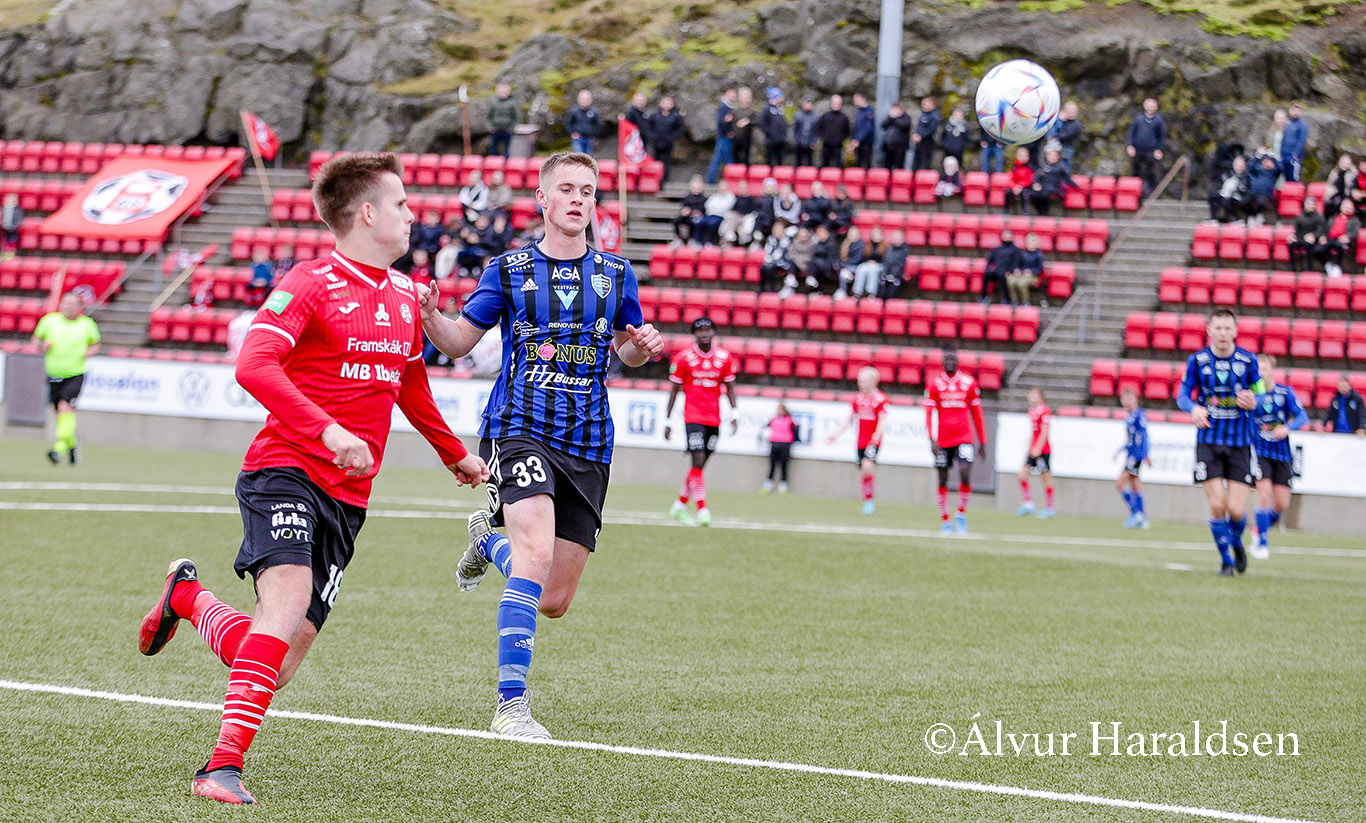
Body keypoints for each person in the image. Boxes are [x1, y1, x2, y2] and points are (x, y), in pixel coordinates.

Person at [136, 153, 489, 804]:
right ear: (367, 213)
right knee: (287, 603)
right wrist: (327, 430)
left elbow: (409, 382)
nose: (412, 215)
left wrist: (453, 453)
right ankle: (219, 768)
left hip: (348, 497)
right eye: (402, 203)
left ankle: (188, 599)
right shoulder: (309, 283)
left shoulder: (407, 295)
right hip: (285, 469)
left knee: (278, 655)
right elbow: (254, 365)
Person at [416, 150, 663, 740]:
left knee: (553, 599)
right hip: (519, 426)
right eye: (567, 189)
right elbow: (458, 342)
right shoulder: (508, 269)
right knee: (533, 556)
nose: (578, 199)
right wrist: (430, 316)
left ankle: (486, 541)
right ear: (543, 199)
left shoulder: (617, 273)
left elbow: (623, 353)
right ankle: (512, 707)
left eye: (588, 190)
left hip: (589, 440)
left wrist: (643, 347)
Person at [1176, 308, 1264, 576]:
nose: (1223, 333)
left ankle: (1236, 543)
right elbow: (1182, 395)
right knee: (1217, 505)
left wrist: (1255, 401)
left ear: (1235, 331)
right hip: (1209, 441)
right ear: (1209, 330)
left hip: (1240, 442)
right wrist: (1193, 408)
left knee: (1236, 509)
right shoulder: (1197, 360)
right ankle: (1226, 561)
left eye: (1228, 328)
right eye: (1218, 328)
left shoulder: (1248, 360)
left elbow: (1261, 394)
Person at [665, 317, 738, 526]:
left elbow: (730, 388)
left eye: (708, 329)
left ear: (714, 332)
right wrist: (667, 421)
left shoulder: (724, 357)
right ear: (694, 334)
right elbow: (674, 390)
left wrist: (735, 414)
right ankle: (702, 509)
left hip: (714, 418)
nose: (704, 333)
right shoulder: (683, 358)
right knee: (697, 462)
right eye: (700, 330)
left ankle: (679, 506)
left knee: (699, 466)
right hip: (693, 417)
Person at [1249, 354, 1308, 559]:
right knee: (1264, 494)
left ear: (1272, 370)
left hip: (1282, 453)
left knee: (1282, 504)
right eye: (1258, 370)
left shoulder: (1285, 393)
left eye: (1265, 369)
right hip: (1260, 451)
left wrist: (1287, 427)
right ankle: (1262, 544)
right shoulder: (1251, 396)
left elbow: (1302, 416)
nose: (1261, 373)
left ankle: (1259, 529)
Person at [32, 291, 100, 465]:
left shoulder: (87, 324)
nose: (68, 307)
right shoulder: (49, 321)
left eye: (72, 304)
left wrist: (88, 352)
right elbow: (36, 340)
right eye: (66, 303)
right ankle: (72, 443)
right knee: (61, 414)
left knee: (65, 407)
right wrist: (42, 346)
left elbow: (95, 345)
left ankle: (58, 449)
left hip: (75, 374)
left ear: (80, 307)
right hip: (54, 375)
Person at [926, 349, 988, 534]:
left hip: (964, 437)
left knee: (965, 471)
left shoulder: (969, 383)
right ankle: (945, 520)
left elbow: (977, 413)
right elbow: (928, 413)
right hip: (943, 440)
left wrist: (982, 441)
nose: (950, 362)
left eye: (953, 359)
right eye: (947, 359)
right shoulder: (935, 384)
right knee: (942, 478)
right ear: (942, 362)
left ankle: (961, 513)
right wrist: (931, 438)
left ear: (957, 362)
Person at [827, 366, 888, 515]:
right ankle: (867, 499)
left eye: (864, 381)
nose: (860, 384)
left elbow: (882, 420)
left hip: (872, 441)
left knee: (867, 466)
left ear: (873, 382)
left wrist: (877, 434)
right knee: (863, 471)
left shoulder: (881, 399)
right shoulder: (857, 399)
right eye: (860, 381)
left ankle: (869, 502)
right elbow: (849, 420)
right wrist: (836, 434)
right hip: (860, 441)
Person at [1114, 387, 1152, 529]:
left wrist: (1146, 454)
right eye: (1124, 398)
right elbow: (1131, 439)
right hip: (1131, 454)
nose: (1126, 401)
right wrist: (1120, 450)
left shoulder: (1139, 415)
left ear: (1136, 399)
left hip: (1136, 455)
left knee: (1120, 483)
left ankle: (1136, 513)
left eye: (1129, 398)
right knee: (1135, 486)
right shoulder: (1129, 416)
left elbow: (1144, 435)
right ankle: (1141, 517)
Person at [1015, 387, 1055, 519]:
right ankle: (1028, 504)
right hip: (1033, 449)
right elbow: (1034, 432)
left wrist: (1038, 448)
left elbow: (1044, 432)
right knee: (1022, 474)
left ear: (1041, 397)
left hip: (1043, 450)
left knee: (1045, 478)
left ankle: (1050, 509)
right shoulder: (1031, 411)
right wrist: (1030, 447)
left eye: (1034, 395)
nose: (1031, 397)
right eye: (1030, 394)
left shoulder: (1045, 411)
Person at [1127, 97, 1166, 198]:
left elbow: (1161, 137)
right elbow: (1132, 133)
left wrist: (1159, 149)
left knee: (1150, 172)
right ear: (1144, 106)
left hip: (1151, 151)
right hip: (1138, 150)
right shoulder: (1138, 119)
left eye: (1152, 106)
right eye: (1149, 106)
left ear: (1156, 107)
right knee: (1136, 171)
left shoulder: (1158, 121)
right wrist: (1130, 146)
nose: (1150, 108)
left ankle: (1151, 194)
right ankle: (1134, 193)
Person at [761, 401, 799, 494]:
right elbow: (766, 428)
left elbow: (795, 432)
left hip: (785, 444)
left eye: (781, 410)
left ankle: (783, 487)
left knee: (784, 466)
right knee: (772, 466)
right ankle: (768, 486)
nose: (779, 411)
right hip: (774, 443)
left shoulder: (790, 420)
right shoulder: (773, 419)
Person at [646, 95, 684, 182]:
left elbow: (680, 129)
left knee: (666, 162)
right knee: (654, 161)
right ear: (660, 103)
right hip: (655, 142)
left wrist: (672, 138)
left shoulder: (676, 117)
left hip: (668, 143)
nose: (667, 105)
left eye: (669, 103)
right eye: (665, 102)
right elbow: (648, 127)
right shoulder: (655, 116)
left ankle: (665, 180)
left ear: (673, 104)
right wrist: (651, 136)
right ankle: (654, 179)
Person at [1027, 147, 1076, 216]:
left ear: (1058, 157)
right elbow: (1036, 177)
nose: (1052, 157)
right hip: (1043, 187)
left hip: (1053, 188)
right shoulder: (1042, 167)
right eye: (1050, 155)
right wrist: (1035, 184)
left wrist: (1076, 186)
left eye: (1054, 156)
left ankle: (1045, 212)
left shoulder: (1060, 168)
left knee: (1045, 194)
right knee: (1033, 194)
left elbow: (1067, 179)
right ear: (1047, 156)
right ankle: (1040, 212)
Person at [1207, 155, 1251, 224]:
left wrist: (1231, 194)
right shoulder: (1228, 173)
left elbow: (1244, 189)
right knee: (1213, 198)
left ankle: (1237, 219)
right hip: (1225, 194)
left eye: (1240, 165)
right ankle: (1214, 218)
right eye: (1237, 165)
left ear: (1244, 166)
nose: (1238, 167)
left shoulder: (1246, 176)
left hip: (1238, 197)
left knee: (1227, 201)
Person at [705, 88, 737, 184]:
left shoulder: (725, 106)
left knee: (724, 158)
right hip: (723, 137)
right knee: (723, 159)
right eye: (732, 96)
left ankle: (718, 178)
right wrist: (728, 132)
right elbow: (721, 121)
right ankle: (713, 179)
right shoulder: (724, 107)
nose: (733, 98)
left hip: (723, 136)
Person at [1287, 196, 1327, 273]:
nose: (1310, 206)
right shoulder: (1300, 216)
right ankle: (1293, 267)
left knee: (1308, 244)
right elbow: (1297, 231)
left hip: (1313, 239)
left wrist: (1313, 235)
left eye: (1312, 204)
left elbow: (1320, 230)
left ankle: (1309, 268)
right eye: (1308, 204)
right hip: (1302, 237)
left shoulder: (1319, 217)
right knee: (1291, 243)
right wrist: (1293, 236)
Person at [981, 228, 1020, 304]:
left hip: (1007, 272)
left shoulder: (1016, 250)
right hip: (997, 271)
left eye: (1008, 236)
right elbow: (990, 261)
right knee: (986, 274)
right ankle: (983, 296)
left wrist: (1010, 271)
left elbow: (1016, 263)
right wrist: (989, 268)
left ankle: (1006, 299)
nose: (1006, 237)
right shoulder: (997, 249)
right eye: (1005, 235)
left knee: (1003, 275)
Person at [1323, 199, 1360, 277]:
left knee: (1339, 246)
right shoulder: (1333, 217)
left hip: (1345, 241)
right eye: (1345, 206)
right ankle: (1327, 264)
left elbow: (1355, 232)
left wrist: (1348, 236)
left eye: (1349, 207)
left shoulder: (1355, 220)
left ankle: (1338, 267)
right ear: (1341, 207)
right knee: (1318, 248)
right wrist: (1323, 237)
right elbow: (1326, 229)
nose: (1347, 209)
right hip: (1331, 239)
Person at [1007, 232, 1044, 306]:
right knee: (1010, 281)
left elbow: (1040, 269)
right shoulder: (1022, 253)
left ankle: (1025, 302)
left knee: (1021, 283)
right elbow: (1018, 264)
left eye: (1033, 242)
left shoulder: (1039, 255)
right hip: (1022, 274)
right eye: (1029, 242)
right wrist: (1017, 269)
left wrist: (1031, 271)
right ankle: (1014, 301)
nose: (1031, 244)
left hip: (1033, 276)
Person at [758, 219, 796, 293]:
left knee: (771, 268)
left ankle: (773, 288)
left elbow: (782, 253)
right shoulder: (770, 239)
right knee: (763, 268)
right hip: (771, 261)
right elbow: (768, 251)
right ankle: (762, 288)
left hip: (783, 262)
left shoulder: (786, 240)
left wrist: (772, 260)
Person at [849, 225, 885, 299]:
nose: (876, 236)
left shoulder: (886, 247)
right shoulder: (867, 245)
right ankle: (857, 292)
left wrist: (876, 263)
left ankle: (871, 292)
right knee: (861, 268)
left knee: (873, 270)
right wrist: (868, 262)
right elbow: (864, 257)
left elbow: (886, 260)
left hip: (880, 265)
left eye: (878, 234)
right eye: (874, 235)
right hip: (868, 264)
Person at [696, 178, 736, 246]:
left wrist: (715, 208)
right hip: (710, 215)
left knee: (712, 224)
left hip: (720, 216)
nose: (721, 187)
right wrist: (715, 208)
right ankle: (698, 242)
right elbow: (707, 205)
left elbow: (726, 207)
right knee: (699, 222)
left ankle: (710, 242)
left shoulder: (730, 196)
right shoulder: (715, 196)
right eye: (720, 185)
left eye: (723, 186)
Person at [1245, 152, 1281, 225]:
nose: (1267, 162)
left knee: (1260, 201)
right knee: (1243, 201)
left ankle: (1258, 215)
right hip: (1252, 192)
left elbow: (1281, 168)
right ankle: (1253, 215)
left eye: (1269, 161)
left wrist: (1273, 158)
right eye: (1265, 161)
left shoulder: (1274, 172)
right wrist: (1257, 157)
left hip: (1265, 194)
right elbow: (1249, 168)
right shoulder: (1258, 170)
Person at [815, 94, 851, 168]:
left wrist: (841, 139)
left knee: (839, 165)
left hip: (838, 146)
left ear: (841, 104)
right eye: (834, 103)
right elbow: (818, 128)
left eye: (838, 103)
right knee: (824, 165)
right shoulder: (825, 116)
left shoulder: (844, 117)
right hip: (826, 145)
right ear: (831, 103)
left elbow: (847, 131)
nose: (836, 105)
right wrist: (823, 138)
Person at [672, 175, 708, 246]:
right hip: (687, 215)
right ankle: (679, 238)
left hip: (697, 217)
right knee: (676, 220)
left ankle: (692, 238)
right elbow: (684, 206)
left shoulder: (703, 198)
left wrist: (694, 212)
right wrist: (684, 211)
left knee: (694, 221)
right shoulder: (687, 197)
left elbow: (702, 209)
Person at [486, 84, 520, 157]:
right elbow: (488, 117)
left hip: (507, 130)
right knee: (493, 149)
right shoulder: (494, 103)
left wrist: (511, 128)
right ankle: (494, 161)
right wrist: (491, 127)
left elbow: (515, 117)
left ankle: (506, 162)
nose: (503, 94)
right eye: (501, 92)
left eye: (505, 92)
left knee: (507, 149)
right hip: (495, 129)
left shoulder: (511, 104)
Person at [833, 224, 866, 300]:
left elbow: (857, 259)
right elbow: (839, 256)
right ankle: (842, 289)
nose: (852, 235)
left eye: (854, 233)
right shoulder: (845, 244)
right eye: (851, 233)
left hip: (857, 266)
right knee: (840, 268)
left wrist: (844, 264)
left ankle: (843, 290)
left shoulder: (861, 245)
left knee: (843, 270)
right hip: (846, 265)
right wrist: (837, 263)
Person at [565, 90, 601, 155]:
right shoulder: (574, 111)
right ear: (578, 99)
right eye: (583, 99)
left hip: (589, 139)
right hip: (578, 139)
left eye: (587, 99)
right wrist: (572, 133)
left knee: (588, 157)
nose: (585, 101)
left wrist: (594, 135)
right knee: (579, 156)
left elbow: (597, 125)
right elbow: (569, 123)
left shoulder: (593, 112)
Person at [760, 87, 789, 167]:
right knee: (770, 161)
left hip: (781, 140)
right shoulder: (766, 109)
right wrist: (771, 133)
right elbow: (762, 124)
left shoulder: (779, 109)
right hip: (771, 140)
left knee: (780, 161)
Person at [1323, 153, 1358, 218]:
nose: (1345, 165)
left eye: (1347, 163)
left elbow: (1352, 186)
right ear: (1339, 163)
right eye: (1343, 163)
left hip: (1348, 194)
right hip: (1336, 193)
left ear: (1351, 164)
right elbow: (1330, 185)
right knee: (1329, 204)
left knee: (1339, 204)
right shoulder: (1334, 172)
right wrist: (1328, 196)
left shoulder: (1354, 172)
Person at [911, 96, 941, 172]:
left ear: (933, 105)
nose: (924, 106)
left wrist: (920, 136)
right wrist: (915, 135)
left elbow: (931, 130)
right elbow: (919, 128)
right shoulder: (922, 115)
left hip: (927, 142)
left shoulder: (934, 116)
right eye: (923, 104)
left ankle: (924, 177)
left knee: (925, 162)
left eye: (927, 104)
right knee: (916, 162)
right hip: (919, 142)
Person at [1050, 101, 1082, 171]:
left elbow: (1063, 136)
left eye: (1073, 112)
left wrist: (1060, 121)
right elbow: (1050, 133)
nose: (1071, 113)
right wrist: (1059, 120)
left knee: (1064, 169)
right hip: (1054, 148)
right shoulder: (1061, 121)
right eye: (1069, 111)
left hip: (1065, 150)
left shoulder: (1075, 124)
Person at [878, 229, 910, 299]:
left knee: (891, 292)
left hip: (896, 276)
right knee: (882, 291)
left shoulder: (904, 251)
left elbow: (900, 264)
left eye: (899, 238)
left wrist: (893, 274)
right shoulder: (889, 249)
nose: (897, 240)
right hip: (886, 274)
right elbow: (885, 262)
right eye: (895, 238)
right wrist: (885, 273)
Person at [1280, 103, 1308, 183]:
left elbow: (1301, 141)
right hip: (1284, 156)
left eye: (1297, 110)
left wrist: (1295, 154)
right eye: (1293, 109)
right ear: (1290, 111)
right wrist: (1281, 154)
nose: (1295, 111)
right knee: (1285, 178)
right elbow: (1283, 139)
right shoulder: (1287, 124)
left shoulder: (1303, 125)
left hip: (1293, 158)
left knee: (1293, 179)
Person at [880, 102, 912, 170]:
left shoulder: (906, 117)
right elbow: (883, 125)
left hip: (900, 147)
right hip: (889, 146)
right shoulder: (890, 117)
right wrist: (890, 117)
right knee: (887, 165)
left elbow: (904, 126)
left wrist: (894, 118)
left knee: (899, 166)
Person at [1003, 147, 1034, 214]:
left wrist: (1020, 186)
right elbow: (1011, 179)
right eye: (1021, 156)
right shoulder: (1014, 167)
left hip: (1025, 187)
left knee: (1025, 193)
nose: (1023, 158)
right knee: (1008, 192)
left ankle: (1025, 211)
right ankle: (1006, 210)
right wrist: (1014, 187)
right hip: (1015, 187)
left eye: (1025, 156)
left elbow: (1029, 180)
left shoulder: (1030, 167)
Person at [850, 92, 876, 169]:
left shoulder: (869, 111)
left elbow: (867, 129)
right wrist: (853, 140)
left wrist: (857, 140)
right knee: (857, 164)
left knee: (866, 164)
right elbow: (856, 128)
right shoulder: (859, 112)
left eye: (856, 100)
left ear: (863, 99)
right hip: (858, 144)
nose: (855, 102)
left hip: (866, 143)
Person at [732, 86, 756, 166]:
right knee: (735, 157)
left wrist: (748, 121)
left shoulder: (751, 111)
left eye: (747, 97)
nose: (745, 99)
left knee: (746, 157)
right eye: (743, 97)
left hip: (747, 138)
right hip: (735, 138)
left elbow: (757, 121)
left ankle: (746, 171)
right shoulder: (735, 111)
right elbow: (730, 123)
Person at [792, 96, 819, 168]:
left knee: (810, 162)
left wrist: (814, 141)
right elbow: (795, 129)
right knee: (798, 162)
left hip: (810, 143)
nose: (807, 105)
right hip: (799, 142)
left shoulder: (815, 117)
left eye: (809, 104)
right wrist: (796, 140)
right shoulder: (798, 115)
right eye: (806, 103)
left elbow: (816, 131)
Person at [1, 192, 22, 259]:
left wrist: (14, 226)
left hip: (13, 228)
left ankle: (11, 253)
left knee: (12, 240)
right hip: (5, 227)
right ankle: (4, 252)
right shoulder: (4, 208)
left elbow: (18, 218)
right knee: (4, 240)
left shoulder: (17, 209)